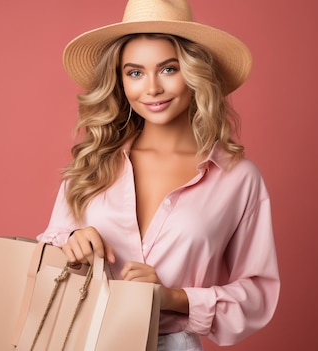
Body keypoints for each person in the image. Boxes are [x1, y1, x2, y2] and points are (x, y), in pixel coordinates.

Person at [37, 0, 280, 349]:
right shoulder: (93, 163)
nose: (151, 88)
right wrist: (69, 243)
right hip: (81, 339)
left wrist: (173, 298)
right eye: (135, 72)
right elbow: (46, 260)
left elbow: (258, 293)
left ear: (195, 72)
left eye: (168, 69)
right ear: (120, 81)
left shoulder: (237, 179)